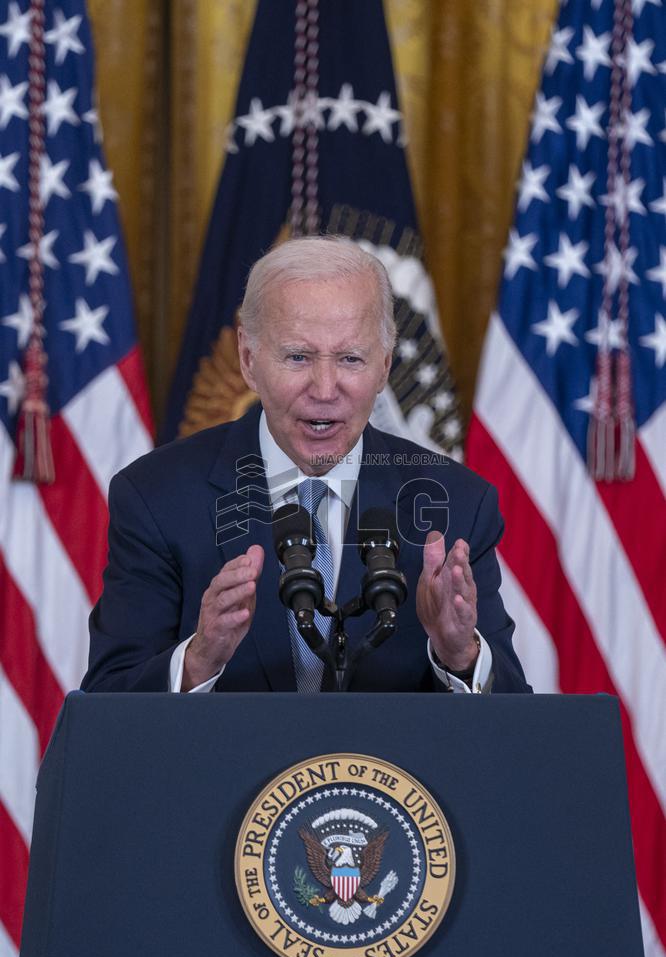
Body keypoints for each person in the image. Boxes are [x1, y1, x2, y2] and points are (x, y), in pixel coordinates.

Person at [83, 237, 530, 695]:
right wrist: (198, 661)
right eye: (298, 356)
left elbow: (515, 730)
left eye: (350, 359)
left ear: (384, 366)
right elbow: (106, 706)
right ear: (248, 359)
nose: (324, 388)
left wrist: (460, 656)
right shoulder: (156, 498)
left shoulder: (457, 505)